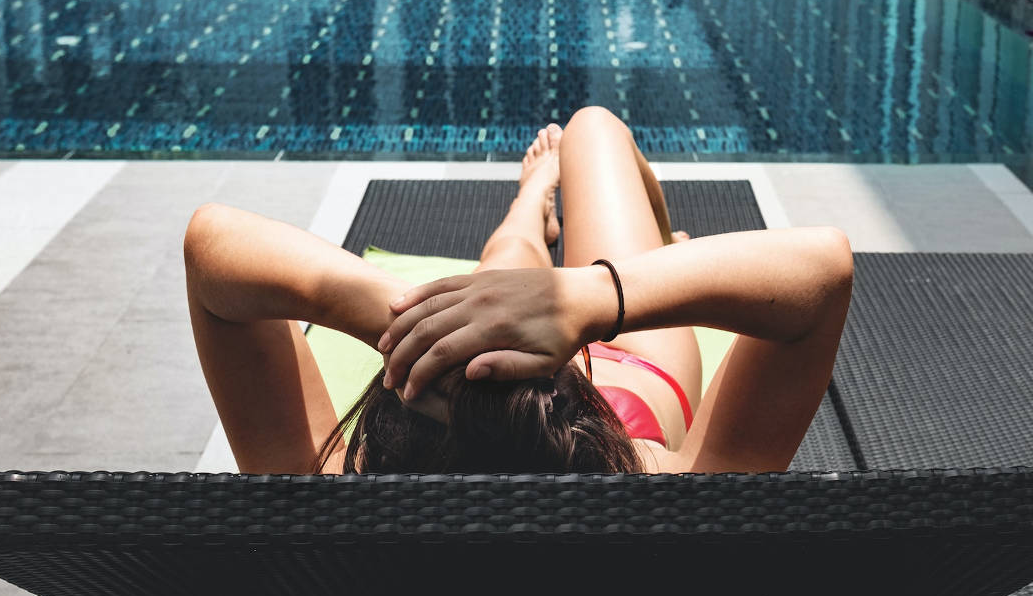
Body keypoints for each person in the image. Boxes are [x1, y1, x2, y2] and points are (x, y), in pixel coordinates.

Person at [185, 105, 853, 474]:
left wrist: (412, 315)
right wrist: (596, 298)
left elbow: (212, 244)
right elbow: (821, 271)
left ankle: (533, 199)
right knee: (594, 128)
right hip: (637, 374)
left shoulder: (326, 505)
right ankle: (643, 245)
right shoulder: (669, 493)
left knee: (504, 262)